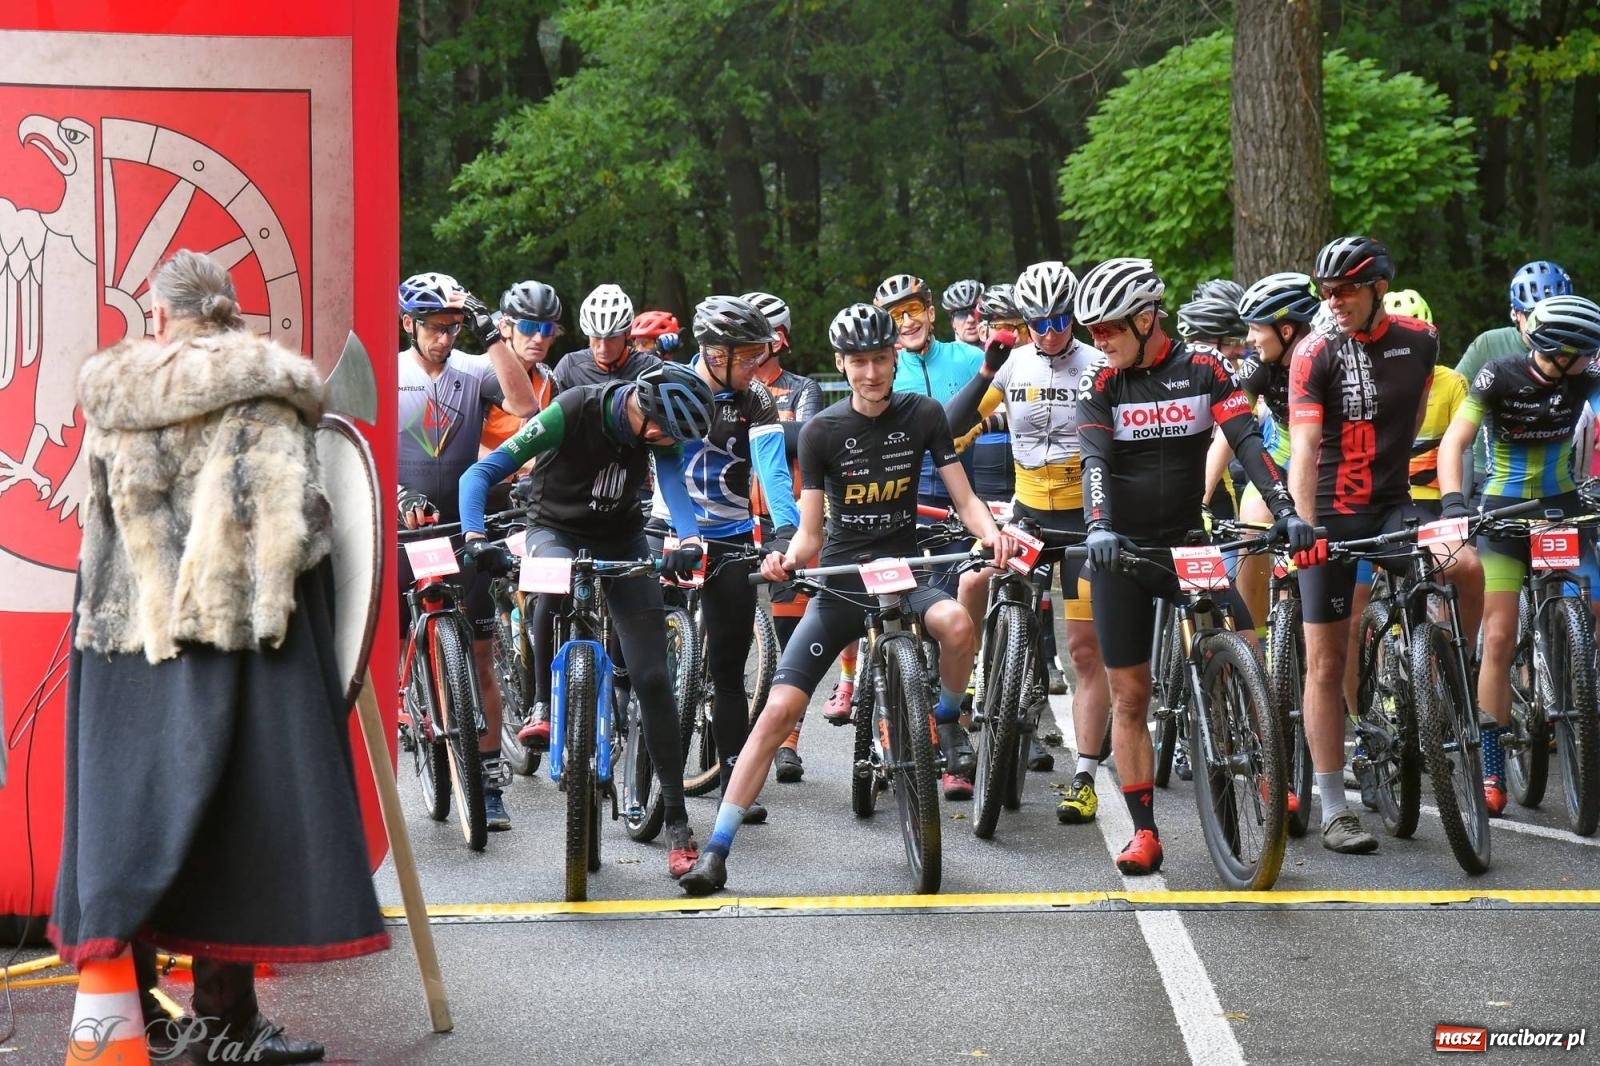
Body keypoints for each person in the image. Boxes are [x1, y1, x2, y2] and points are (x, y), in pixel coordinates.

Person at [52, 250, 387, 1064]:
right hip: (241, 646)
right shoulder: (271, 391)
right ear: (231, 311)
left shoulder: (117, 393)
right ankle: (224, 1023)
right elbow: (296, 530)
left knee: (125, 820)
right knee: (239, 822)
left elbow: (97, 522)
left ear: (161, 317)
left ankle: (123, 1017)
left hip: (126, 640)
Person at [677, 303, 1013, 895]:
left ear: (894, 358)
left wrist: (991, 536)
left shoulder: (925, 414)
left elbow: (964, 500)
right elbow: (809, 532)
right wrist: (785, 558)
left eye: (881, 359)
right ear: (841, 363)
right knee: (779, 708)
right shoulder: (821, 431)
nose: (871, 373)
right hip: (841, 581)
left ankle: (946, 718)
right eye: (858, 362)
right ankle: (717, 846)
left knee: (960, 625)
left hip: (908, 571)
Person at [1073, 257, 1312, 875]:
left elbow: (1248, 442)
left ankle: (1265, 772)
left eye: (1109, 330)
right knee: (1132, 694)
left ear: (1148, 318)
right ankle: (1145, 831)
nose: (1099, 342)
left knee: (1247, 648)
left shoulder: (1204, 368)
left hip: (1186, 541)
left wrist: (1283, 507)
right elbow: (1093, 461)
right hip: (1121, 549)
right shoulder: (1101, 385)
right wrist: (1098, 526)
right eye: (1093, 332)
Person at [459, 363, 716, 877]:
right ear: (643, 409)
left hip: (621, 537)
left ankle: (678, 820)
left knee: (651, 677)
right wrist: (474, 538)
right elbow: (480, 472)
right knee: (548, 590)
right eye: (665, 433)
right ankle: (539, 703)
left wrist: (689, 540)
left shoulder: (661, 428)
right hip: (553, 528)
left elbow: (672, 482)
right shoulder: (572, 409)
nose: (668, 442)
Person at [1286, 235, 1479, 855]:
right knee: (1324, 663)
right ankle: (1336, 808)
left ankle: (1451, 666)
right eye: (1327, 291)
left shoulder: (1420, 342)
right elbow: (1306, 450)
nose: (1333, 300)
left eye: (1345, 289)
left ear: (1378, 288)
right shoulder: (1313, 354)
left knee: (1461, 563)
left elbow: (1415, 418)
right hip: (1329, 512)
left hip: (1395, 501)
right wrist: (1305, 526)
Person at [946, 261, 1109, 814]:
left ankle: (1085, 777)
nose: (1048, 331)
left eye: (1060, 318)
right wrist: (975, 406)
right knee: (971, 580)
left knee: (1086, 652)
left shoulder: (1097, 364)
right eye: (1036, 321)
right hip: (1027, 515)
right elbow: (972, 421)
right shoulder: (1014, 362)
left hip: (1085, 522)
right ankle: (971, 681)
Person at [1439, 295, 1600, 816]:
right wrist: (1454, 505)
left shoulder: (1583, 374)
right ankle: (1490, 767)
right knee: (1502, 635)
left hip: (1560, 504)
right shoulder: (1498, 374)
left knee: (1592, 603)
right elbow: (1456, 440)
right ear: (1556, 352)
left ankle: (1578, 682)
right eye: (1582, 355)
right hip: (1505, 508)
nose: (1590, 361)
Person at [646, 296, 799, 821]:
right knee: (641, 659)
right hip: (668, 528)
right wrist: (680, 535)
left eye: (762, 353)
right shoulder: (671, 383)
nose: (759, 365)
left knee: (729, 669)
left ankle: (733, 777)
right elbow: (664, 465)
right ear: (715, 353)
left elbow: (773, 471)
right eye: (749, 355)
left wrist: (785, 533)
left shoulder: (755, 397)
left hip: (731, 532)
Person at [397, 270, 537, 831]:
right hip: (406, 525)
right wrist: (398, 493)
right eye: (433, 328)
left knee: (480, 653)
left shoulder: (474, 368)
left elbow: (525, 404)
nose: (443, 338)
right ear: (409, 324)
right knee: (387, 651)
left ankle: (488, 778)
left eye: (453, 328)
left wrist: (491, 335)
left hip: (463, 525)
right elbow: (360, 435)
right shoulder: (390, 372)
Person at [739, 290, 827, 784]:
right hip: (738, 513)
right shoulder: (730, 386)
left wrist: (764, 428)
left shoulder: (802, 387)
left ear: (778, 339)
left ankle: (788, 740)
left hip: (784, 519)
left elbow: (807, 438)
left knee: (789, 630)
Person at [1456, 261, 1575, 497]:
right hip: (1490, 472)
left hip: (1555, 476)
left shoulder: (1576, 353)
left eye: (1555, 314)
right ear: (1516, 313)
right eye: (1533, 315)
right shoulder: (1489, 344)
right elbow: (1454, 395)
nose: (1544, 325)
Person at [480, 279, 562, 455]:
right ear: (505, 328)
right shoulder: (481, 374)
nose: (539, 338)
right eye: (528, 326)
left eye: (547, 329)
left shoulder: (547, 379)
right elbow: (462, 447)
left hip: (526, 478)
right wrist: (522, 466)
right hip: (480, 477)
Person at [553, 283, 661, 389]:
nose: (603, 347)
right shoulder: (569, 368)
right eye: (596, 337)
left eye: (612, 337)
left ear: (627, 333)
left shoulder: (650, 368)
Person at [942, 277, 986, 345]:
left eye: (976, 310)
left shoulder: (1005, 351)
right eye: (961, 314)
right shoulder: (945, 355)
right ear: (952, 323)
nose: (970, 319)